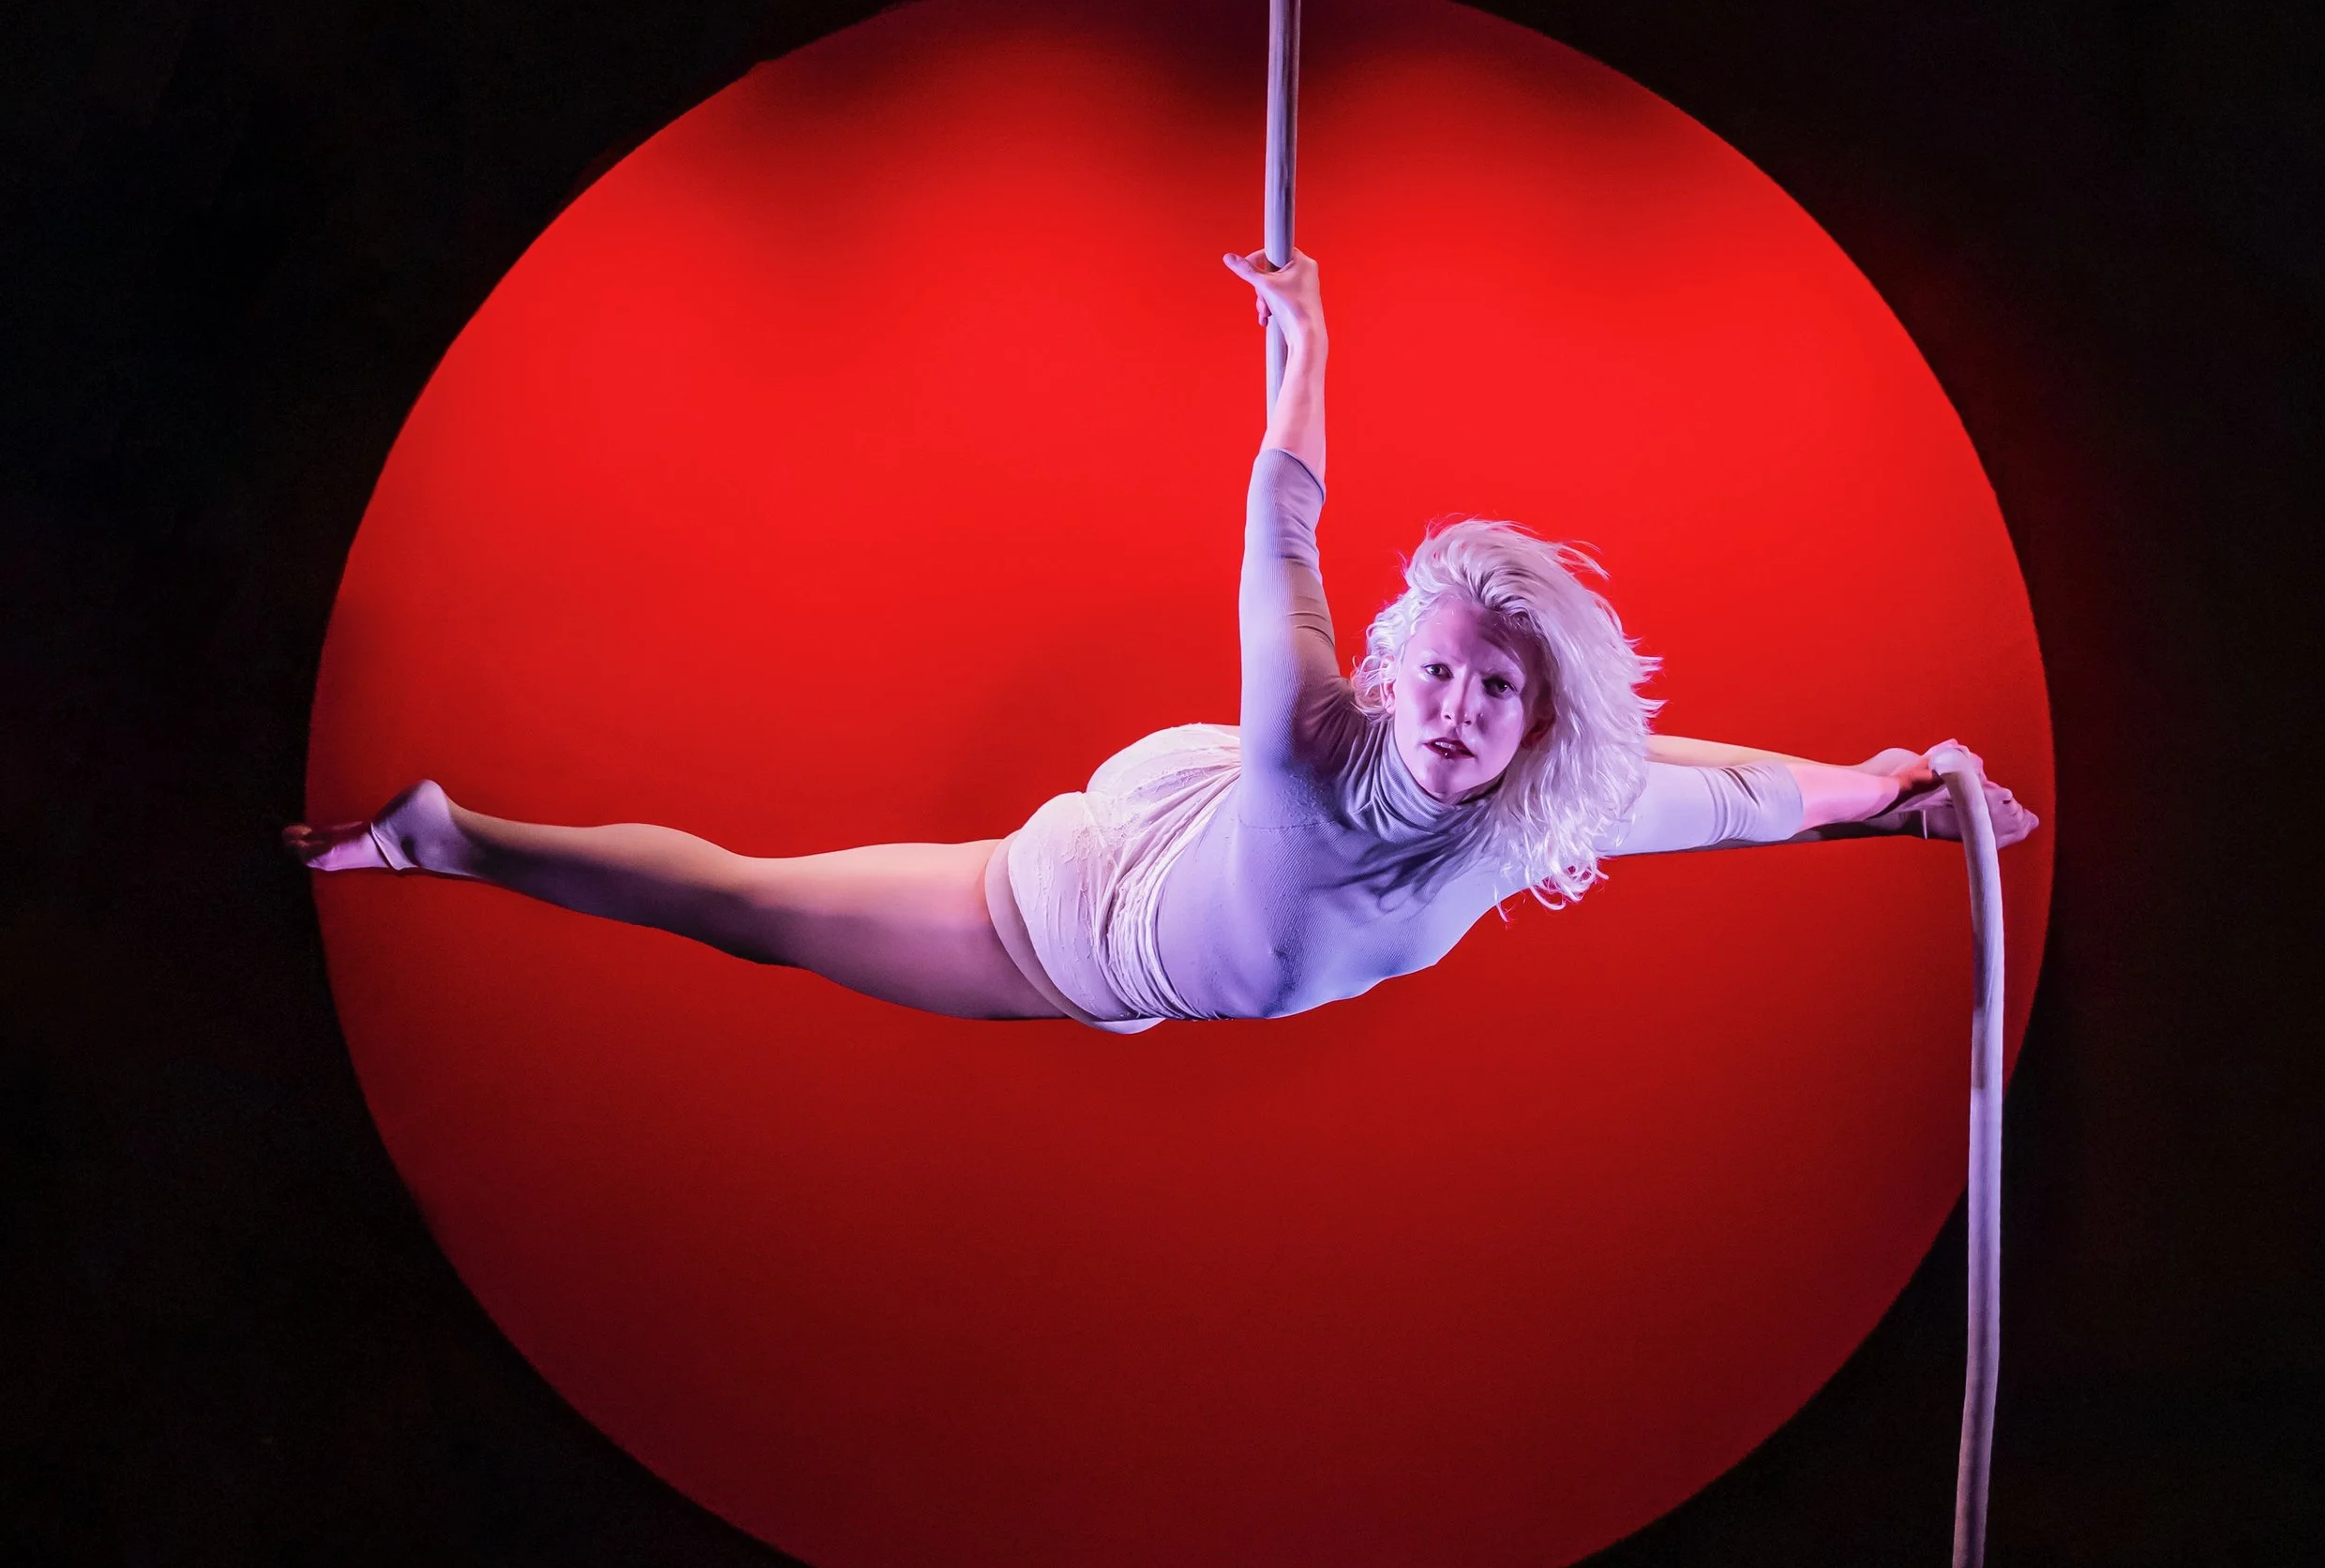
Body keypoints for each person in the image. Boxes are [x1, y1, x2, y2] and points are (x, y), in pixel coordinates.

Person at [288, 247, 2036, 1030]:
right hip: (1079, 920)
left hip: (1196, 866)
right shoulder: (1316, 732)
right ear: (1387, 676)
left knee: (1699, 792)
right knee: (751, 910)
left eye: (1494, 687)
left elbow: (1731, 795)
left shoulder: (1538, 815)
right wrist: (1308, 338)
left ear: (1531, 720)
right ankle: (447, 835)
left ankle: (448, 842)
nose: (1452, 703)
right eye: (1430, 667)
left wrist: (1884, 789)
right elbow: (1283, 523)